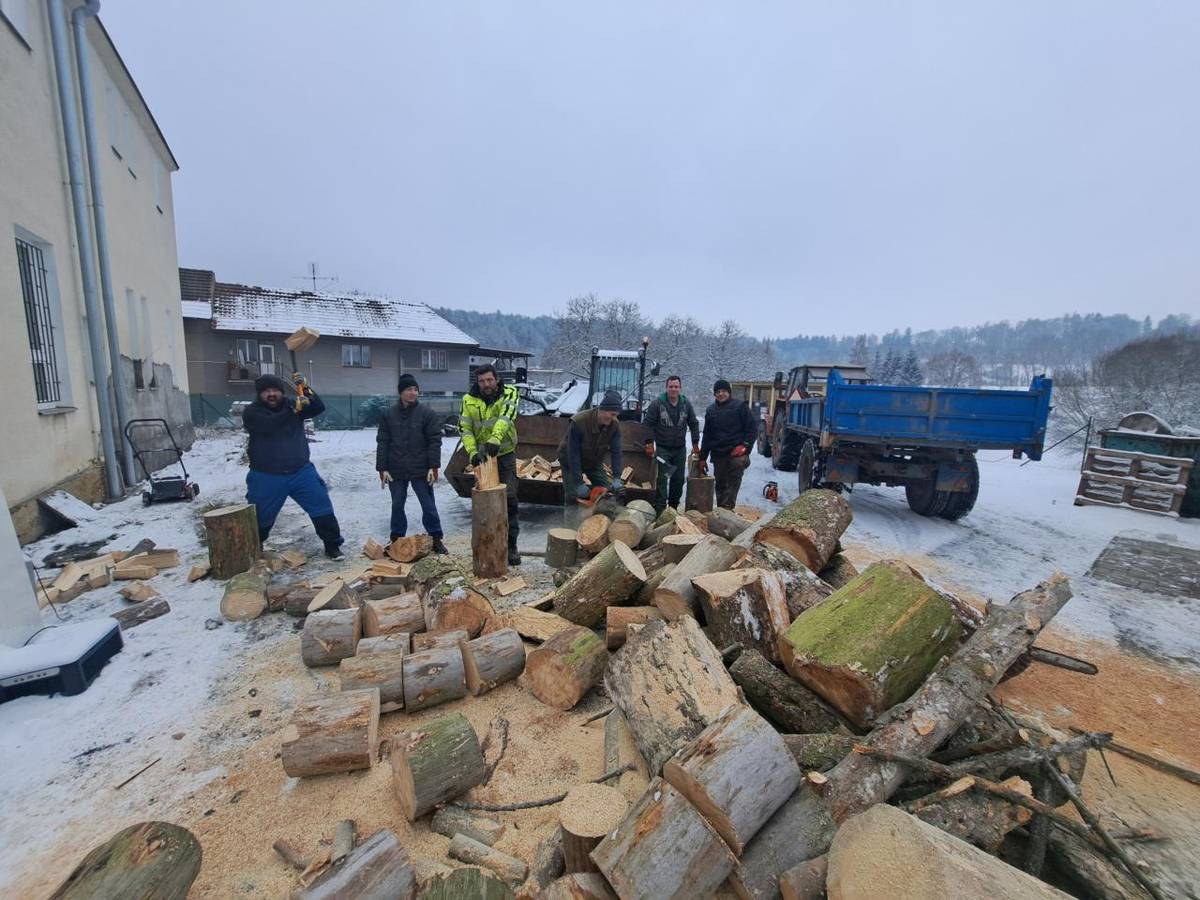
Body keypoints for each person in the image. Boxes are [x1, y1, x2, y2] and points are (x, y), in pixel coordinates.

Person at [242, 373, 345, 559]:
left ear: (281, 392)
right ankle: (252, 550)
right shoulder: (252, 412)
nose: (271, 394)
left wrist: (305, 388)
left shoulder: (292, 404)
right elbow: (268, 425)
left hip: (301, 472)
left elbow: (318, 407)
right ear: (259, 394)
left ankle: (332, 545)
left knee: (321, 506)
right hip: (266, 476)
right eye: (266, 391)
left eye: (275, 390)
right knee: (260, 517)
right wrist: (294, 411)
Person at [377, 374, 448, 554]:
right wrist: (382, 468)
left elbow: (434, 441)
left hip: (421, 468)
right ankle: (396, 539)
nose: (413, 393)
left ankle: (436, 538)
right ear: (401, 392)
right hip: (396, 468)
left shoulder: (426, 414)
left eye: (415, 389)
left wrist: (433, 466)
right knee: (397, 504)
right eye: (409, 389)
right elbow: (383, 441)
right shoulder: (388, 415)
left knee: (428, 505)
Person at [459, 364, 521, 565]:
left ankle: (511, 546)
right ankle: (488, 546)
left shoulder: (509, 393)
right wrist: (472, 452)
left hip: (504, 454)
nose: (486, 384)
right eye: (482, 381)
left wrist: (495, 439)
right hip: (483, 457)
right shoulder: (468, 400)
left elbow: (506, 416)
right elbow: (465, 428)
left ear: (496, 379)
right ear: (477, 382)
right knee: (485, 502)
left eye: (489, 380)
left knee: (509, 499)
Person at [558, 390, 624, 525]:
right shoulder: (579, 422)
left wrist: (617, 477)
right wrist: (578, 482)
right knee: (573, 495)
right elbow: (573, 454)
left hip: (593, 461)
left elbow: (616, 452)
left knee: (606, 493)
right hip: (570, 460)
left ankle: (601, 525)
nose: (613, 418)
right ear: (602, 409)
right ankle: (569, 529)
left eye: (616, 415)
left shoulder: (614, 425)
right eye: (612, 414)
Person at [641, 375, 701, 515]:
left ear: (680, 388)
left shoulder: (686, 404)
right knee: (662, 478)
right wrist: (649, 443)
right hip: (663, 449)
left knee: (678, 479)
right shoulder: (657, 404)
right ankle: (660, 509)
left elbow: (694, 424)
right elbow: (647, 425)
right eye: (671, 386)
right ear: (666, 388)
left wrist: (695, 443)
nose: (673, 389)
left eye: (676, 387)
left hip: (680, 449)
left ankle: (673, 508)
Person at [698, 378, 757, 510]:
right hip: (719, 453)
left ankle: (728, 507)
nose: (721, 394)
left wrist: (745, 445)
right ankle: (721, 509)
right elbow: (707, 435)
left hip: (736, 452)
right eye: (718, 392)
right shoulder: (711, 411)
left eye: (724, 391)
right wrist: (702, 458)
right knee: (720, 483)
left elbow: (752, 429)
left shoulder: (740, 407)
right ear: (715, 394)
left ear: (729, 392)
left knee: (734, 473)